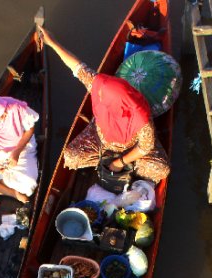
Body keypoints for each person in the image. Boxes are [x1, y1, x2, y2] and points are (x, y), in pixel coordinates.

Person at [39, 26, 170, 184]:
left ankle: (128, 172)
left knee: (161, 169)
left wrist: (119, 162)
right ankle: (106, 163)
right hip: (100, 139)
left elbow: (144, 147)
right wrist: (52, 43)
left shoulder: (141, 118)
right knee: (71, 157)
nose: (97, 95)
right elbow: (77, 67)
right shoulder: (100, 86)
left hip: (131, 148)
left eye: (102, 97)